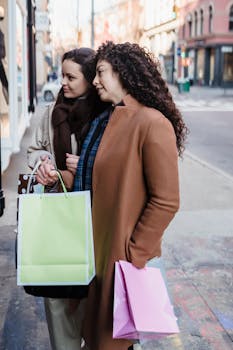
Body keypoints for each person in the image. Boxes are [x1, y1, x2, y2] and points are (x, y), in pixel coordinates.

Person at [73, 41, 188, 350]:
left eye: (101, 73)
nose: (94, 81)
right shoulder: (106, 118)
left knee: (111, 341)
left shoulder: (152, 123)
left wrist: (134, 251)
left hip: (119, 258)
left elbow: (166, 200)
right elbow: (96, 178)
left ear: (123, 73)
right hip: (95, 251)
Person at [27, 47, 108, 350]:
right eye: (61, 75)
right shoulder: (50, 113)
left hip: (95, 217)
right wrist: (45, 163)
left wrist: (89, 163)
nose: (63, 82)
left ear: (89, 79)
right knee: (58, 292)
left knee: (95, 293)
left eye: (71, 76)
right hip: (57, 214)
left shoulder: (106, 115)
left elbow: (118, 163)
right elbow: (34, 150)